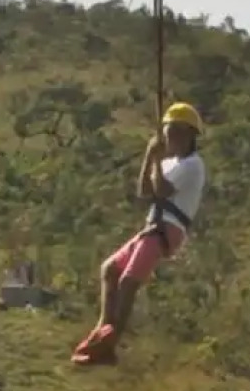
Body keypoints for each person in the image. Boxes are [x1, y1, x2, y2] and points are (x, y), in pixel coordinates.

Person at [72, 101, 206, 367]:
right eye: (168, 134)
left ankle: (111, 343)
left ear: (190, 135)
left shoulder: (193, 165)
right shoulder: (169, 163)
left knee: (129, 282)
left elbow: (162, 191)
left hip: (167, 230)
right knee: (110, 270)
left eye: (176, 133)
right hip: (152, 228)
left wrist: (156, 160)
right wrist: (150, 157)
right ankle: (104, 329)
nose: (171, 139)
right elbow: (144, 191)